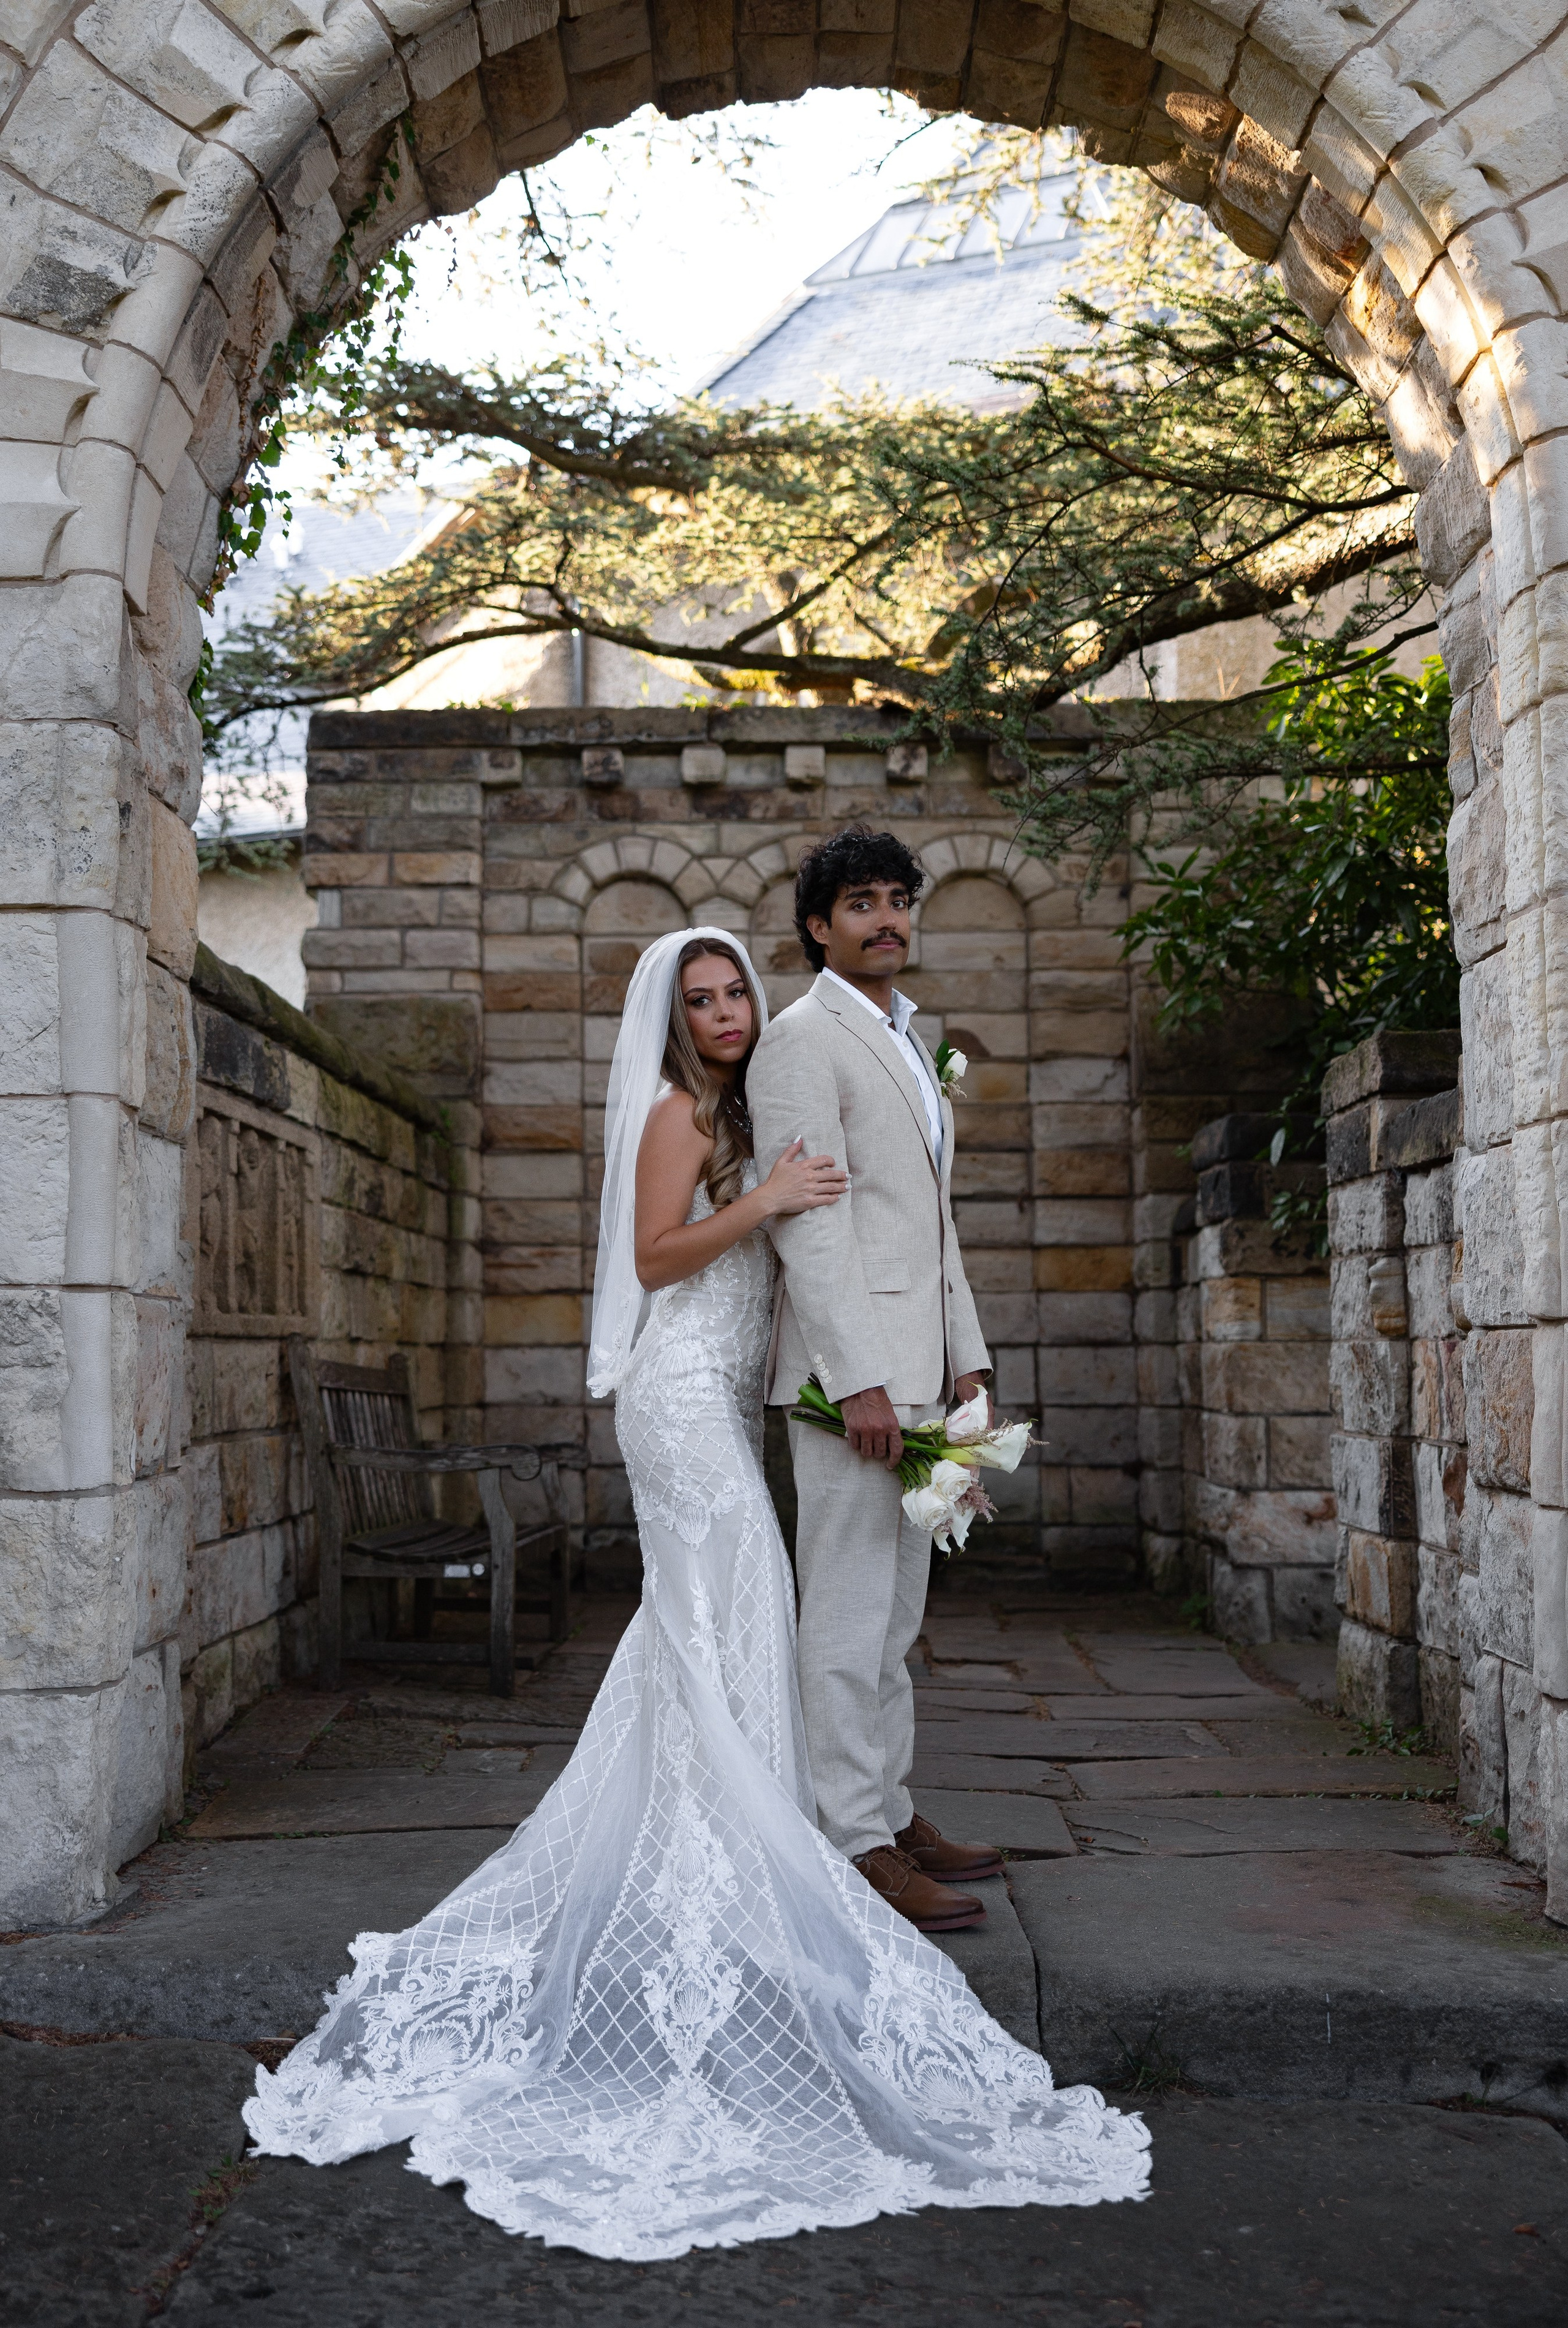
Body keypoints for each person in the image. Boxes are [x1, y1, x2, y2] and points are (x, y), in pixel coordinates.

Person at [243, 925, 1149, 2258]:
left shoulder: (749, 1100)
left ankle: (731, 1837)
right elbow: (661, 1257)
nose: (725, 1011)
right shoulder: (676, 1112)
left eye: (737, 992)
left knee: (707, 1629)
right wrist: (765, 1204)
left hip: (731, 1398)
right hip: (676, 1403)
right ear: (670, 1017)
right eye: (702, 997)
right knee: (739, 1601)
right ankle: (759, 1844)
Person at [747, 828, 1000, 1934]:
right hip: (849, 1382)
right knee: (846, 1618)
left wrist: (970, 1354)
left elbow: (926, 1217)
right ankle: (851, 1842)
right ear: (819, 925)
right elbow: (814, 1221)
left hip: (923, 1366)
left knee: (897, 1617)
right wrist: (854, 1379)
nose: (887, 919)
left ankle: (891, 1812)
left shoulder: (910, 1039)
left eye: (900, 900)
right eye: (863, 903)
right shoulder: (803, 1041)